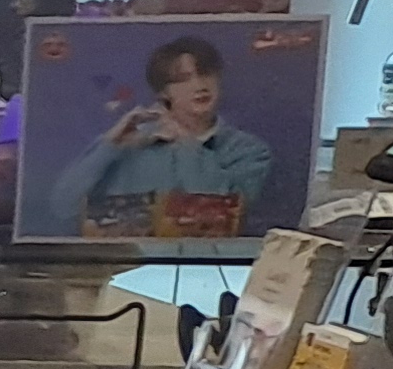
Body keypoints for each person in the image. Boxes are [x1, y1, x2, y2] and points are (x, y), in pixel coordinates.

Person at [47, 32, 278, 239]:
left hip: (209, 266)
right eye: (183, 78)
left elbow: (223, 215)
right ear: (163, 93)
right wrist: (109, 145)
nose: (199, 85)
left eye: (205, 73)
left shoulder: (249, 151)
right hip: (127, 265)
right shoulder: (131, 146)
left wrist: (186, 143)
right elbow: (64, 208)